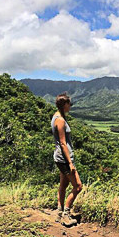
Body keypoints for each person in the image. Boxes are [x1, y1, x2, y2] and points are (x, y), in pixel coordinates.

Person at [52, 92, 82, 226]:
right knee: (78, 186)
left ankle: (59, 211)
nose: (71, 106)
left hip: (60, 157)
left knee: (63, 185)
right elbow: (63, 143)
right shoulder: (60, 120)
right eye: (69, 104)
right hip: (64, 159)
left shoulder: (57, 116)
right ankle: (66, 214)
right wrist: (70, 163)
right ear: (65, 105)